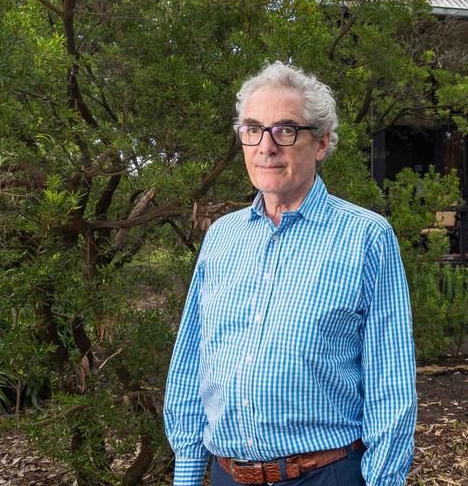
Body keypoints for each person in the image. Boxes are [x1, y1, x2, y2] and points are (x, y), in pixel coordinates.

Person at [163, 62, 416, 486]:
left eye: (285, 130)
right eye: (253, 129)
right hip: (227, 475)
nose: (266, 146)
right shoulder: (222, 237)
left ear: (321, 143)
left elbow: (390, 387)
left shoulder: (366, 238)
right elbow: (191, 362)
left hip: (323, 475)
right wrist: (187, 474)